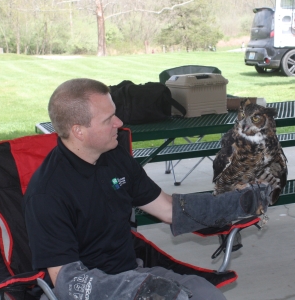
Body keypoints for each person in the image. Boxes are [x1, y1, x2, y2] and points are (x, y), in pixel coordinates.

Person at [23, 78, 271, 300]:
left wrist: (231, 205)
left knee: (207, 294)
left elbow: (168, 210)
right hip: (99, 291)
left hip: (135, 276)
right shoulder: (47, 193)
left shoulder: (113, 157)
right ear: (78, 131)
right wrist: (135, 290)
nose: (119, 123)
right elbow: (67, 283)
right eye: (109, 119)